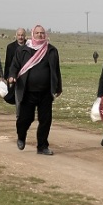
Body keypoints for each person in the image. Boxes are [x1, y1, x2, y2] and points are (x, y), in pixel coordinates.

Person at [9, 25, 62, 154]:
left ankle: (42, 146)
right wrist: (11, 76)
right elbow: (14, 65)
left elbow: (56, 70)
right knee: (25, 119)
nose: (40, 35)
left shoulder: (51, 50)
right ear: (32, 34)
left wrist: (58, 87)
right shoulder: (23, 50)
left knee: (45, 120)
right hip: (28, 92)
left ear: (46, 35)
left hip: (45, 92)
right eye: (37, 33)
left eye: (42, 33)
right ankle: (21, 137)